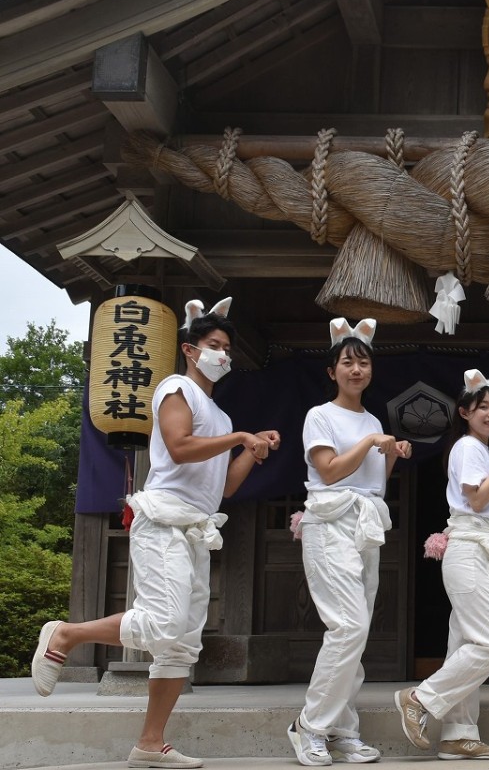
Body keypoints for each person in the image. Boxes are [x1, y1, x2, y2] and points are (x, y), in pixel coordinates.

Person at [31, 297, 280, 769]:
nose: (222, 355)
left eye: (227, 347)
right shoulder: (175, 388)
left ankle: (149, 743)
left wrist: (253, 448)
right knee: (162, 623)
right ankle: (65, 635)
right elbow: (182, 447)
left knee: (182, 642)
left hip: (197, 528)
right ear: (190, 349)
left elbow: (223, 484)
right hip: (163, 519)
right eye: (214, 345)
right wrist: (239, 439)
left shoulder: (221, 417)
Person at [395, 369, 489, 760]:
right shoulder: (467, 449)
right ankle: (420, 698)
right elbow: (476, 503)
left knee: (466, 644)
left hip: (480, 546)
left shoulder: (480, 451)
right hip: (472, 552)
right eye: (483, 407)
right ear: (464, 412)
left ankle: (458, 733)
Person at [286, 318, 412, 766]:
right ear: (332, 371)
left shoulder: (373, 419)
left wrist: (390, 454)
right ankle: (308, 725)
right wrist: (371, 442)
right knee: (349, 626)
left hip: (365, 524)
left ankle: (341, 729)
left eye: (363, 362)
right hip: (330, 523)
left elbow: (372, 481)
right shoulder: (319, 415)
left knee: (355, 632)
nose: (356, 369)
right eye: (347, 362)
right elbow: (330, 471)